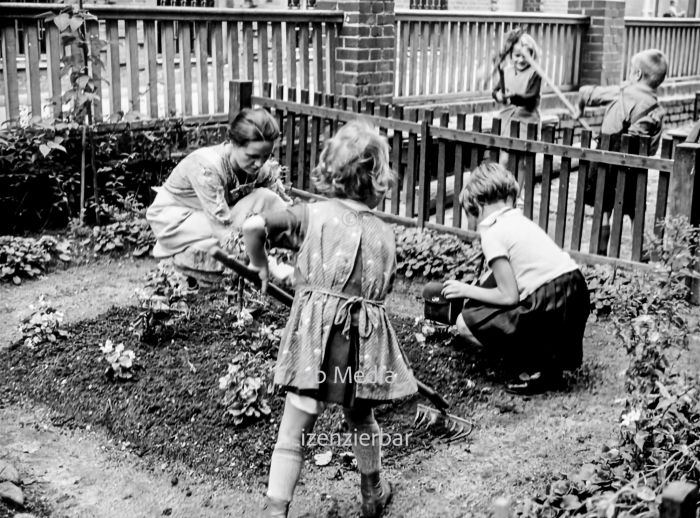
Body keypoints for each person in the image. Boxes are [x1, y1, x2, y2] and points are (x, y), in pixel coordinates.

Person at [242, 120, 417, 518]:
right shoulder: (386, 235)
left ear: (331, 172)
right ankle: (372, 493)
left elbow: (254, 225)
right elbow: (379, 289)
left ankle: (275, 510)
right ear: (378, 179)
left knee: (295, 427)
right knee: (361, 416)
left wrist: (262, 266)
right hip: (362, 345)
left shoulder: (312, 214)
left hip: (316, 342)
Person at [441, 162, 590, 395]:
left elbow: (508, 296)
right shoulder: (516, 219)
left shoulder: (492, 232)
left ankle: (533, 369)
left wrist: (465, 290)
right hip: (574, 289)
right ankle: (548, 365)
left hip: (550, 301)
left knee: (466, 323)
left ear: (477, 205)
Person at [146, 107, 290, 285]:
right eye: (252, 156)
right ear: (233, 143)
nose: (259, 163)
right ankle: (272, 268)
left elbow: (281, 206)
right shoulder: (207, 169)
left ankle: (292, 261)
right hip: (178, 220)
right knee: (258, 205)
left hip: (213, 215)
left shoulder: (260, 168)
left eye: (266, 155)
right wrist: (260, 259)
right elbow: (222, 229)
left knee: (267, 199)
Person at [575, 49, 668, 254]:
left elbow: (584, 92)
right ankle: (638, 255)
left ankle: (599, 253)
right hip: (632, 168)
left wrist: (579, 110)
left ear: (636, 74)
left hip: (605, 161)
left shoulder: (620, 93)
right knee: (634, 209)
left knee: (604, 208)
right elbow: (651, 149)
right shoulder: (657, 110)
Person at [492, 32, 542, 136]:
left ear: (532, 55)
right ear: (510, 55)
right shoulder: (506, 71)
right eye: (517, 56)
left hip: (527, 125)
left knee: (522, 151)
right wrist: (498, 96)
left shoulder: (535, 73)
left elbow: (531, 98)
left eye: (525, 56)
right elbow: (496, 91)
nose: (521, 60)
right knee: (503, 150)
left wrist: (513, 97)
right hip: (505, 122)